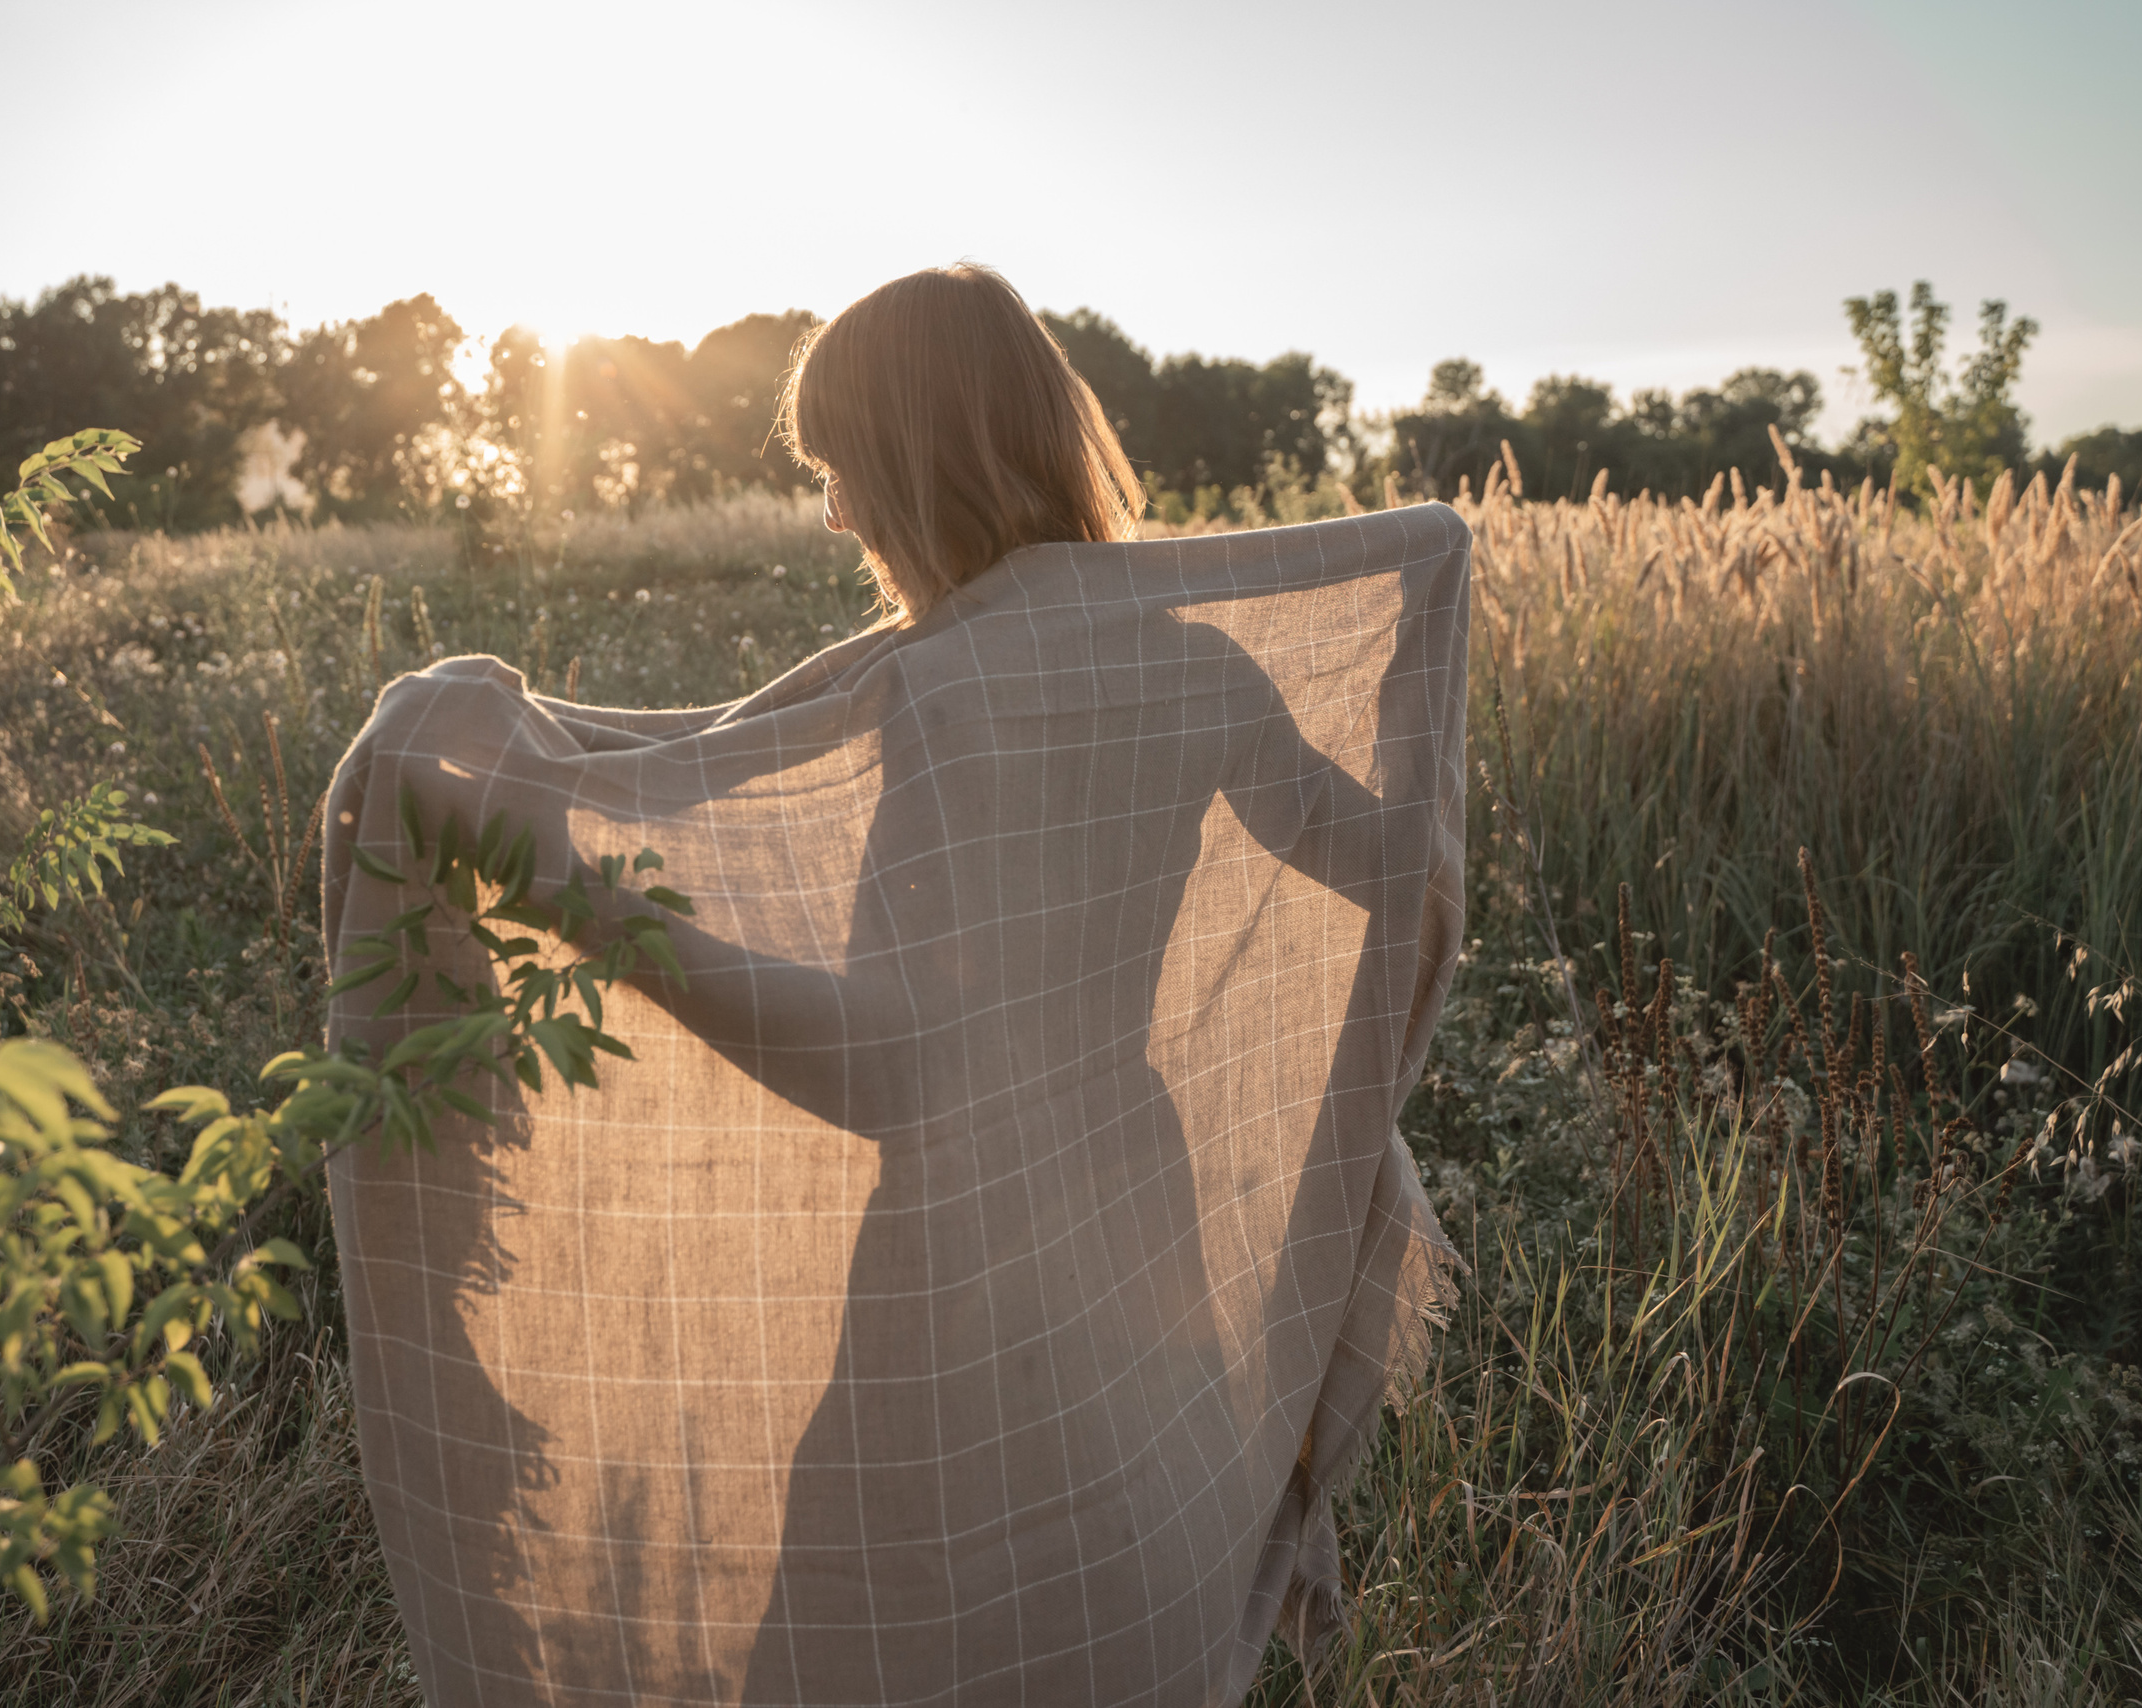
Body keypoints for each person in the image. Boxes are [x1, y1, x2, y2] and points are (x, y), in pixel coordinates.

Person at [322, 262, 1469, 1707]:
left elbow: (894, 1068)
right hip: (1135, 1195)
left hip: (963, 1244)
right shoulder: (1202, 671)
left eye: (839, 470)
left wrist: (593, 907)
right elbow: (1400, 876)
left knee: (879, 1629)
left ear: (923, 459)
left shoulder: (940, 696)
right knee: (1105, 1601)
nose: (834, 516)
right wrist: (1420, 635)